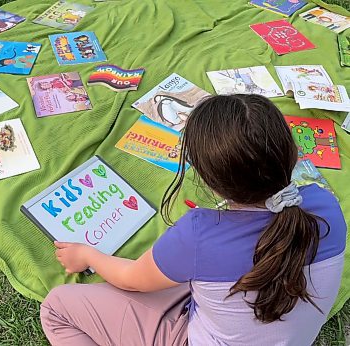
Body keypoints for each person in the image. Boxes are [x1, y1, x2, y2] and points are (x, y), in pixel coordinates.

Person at [40, 94, 346, 345]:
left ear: (209, 180)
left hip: (195, 335)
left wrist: (87, 254)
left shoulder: (200, 235)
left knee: (56, 306)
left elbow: (132, 279)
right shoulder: (327, 205)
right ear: (290, 153)